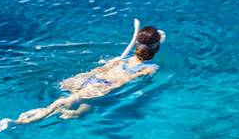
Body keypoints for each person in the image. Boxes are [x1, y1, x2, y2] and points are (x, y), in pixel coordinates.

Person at [15, 25, 165, 125]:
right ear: (157, 46)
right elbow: (127, 79)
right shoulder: (150, 68)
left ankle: (77, 110)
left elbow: (101, 69)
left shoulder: (120, 59)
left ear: (136, 45)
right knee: (66, 101)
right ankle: (35, 117)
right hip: (102, 86)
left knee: (79, 101)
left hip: (86, 78)